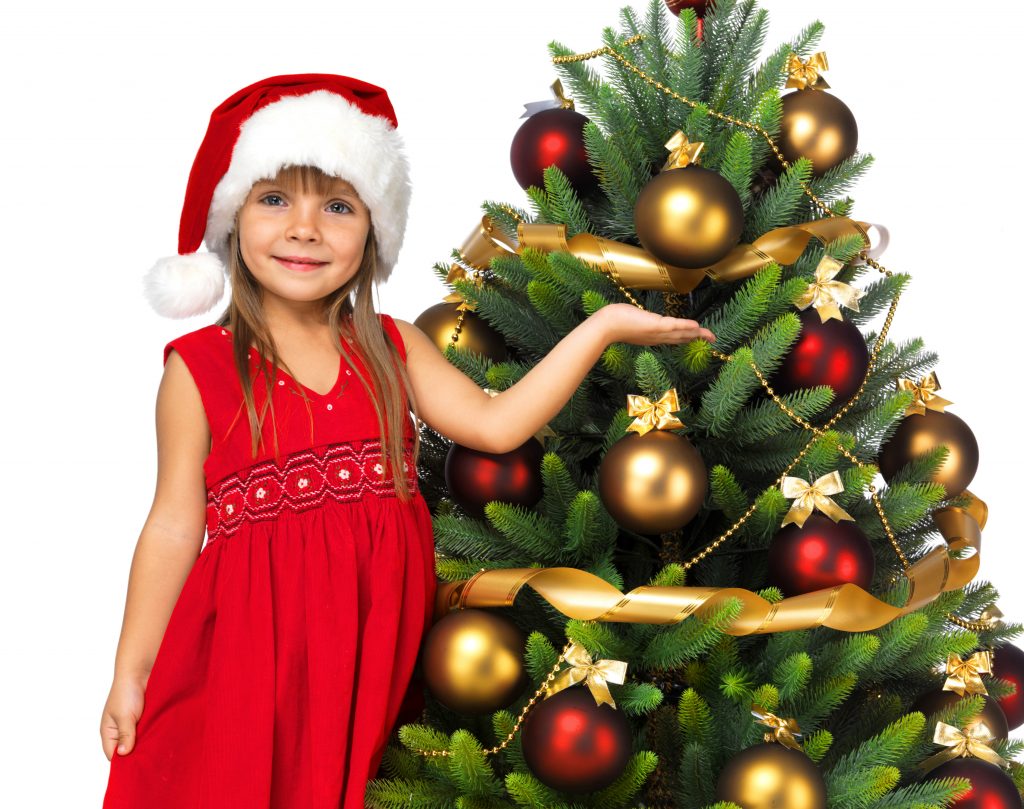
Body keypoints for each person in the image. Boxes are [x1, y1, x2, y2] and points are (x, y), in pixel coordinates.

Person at [99, 73, 716, 808]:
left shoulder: (390, 349)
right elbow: (173, 523)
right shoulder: (199, 369)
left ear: (373, 231)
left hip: (370, 642)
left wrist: (603, 327)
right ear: (233, 220)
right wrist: (131, 669)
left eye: (336, 205)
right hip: (250, 652)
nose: (305, 229)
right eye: (274, 200)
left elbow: (498, 423)